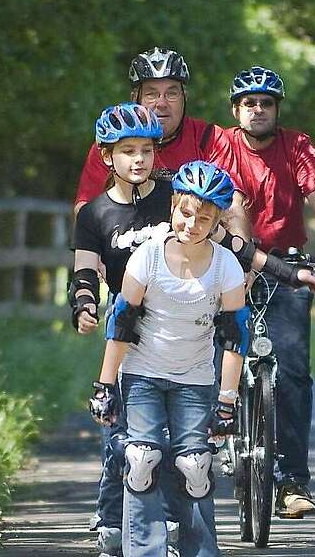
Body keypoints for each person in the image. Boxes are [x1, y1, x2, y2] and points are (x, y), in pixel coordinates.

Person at [70, 103, 315, 556]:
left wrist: (287, 273)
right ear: (108, 156)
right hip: (131, 330)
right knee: (128, 448)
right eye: (128, 151)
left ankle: (174, 533)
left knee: (186, 456)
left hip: (191, 324)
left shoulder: (178, 196)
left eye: (147, 150)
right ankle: (113, 528)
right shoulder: (95, 214)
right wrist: (83, 303)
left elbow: (234, 245)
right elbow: (85, 270)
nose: (139, 159)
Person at [90, 160, 248, 557]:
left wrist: (227, 403)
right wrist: (105, 385)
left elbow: (234, 340)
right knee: (141, 461)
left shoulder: (226, 266)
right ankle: (146, 551)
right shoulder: (147, 257)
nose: (191, 224)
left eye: (204, 219)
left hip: (194, 378)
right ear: (173, 206)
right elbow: (121, 325)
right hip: (142, 372)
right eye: (185, 213)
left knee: (195, 466)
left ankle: (200, 550)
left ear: (217, 223)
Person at [223, 65, 315, 517]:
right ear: (236, 110)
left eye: (266, 103)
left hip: (289, 268)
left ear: (277, 109)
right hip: (231, 263)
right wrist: (243, 256)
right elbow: (232, 205)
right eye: (249, 103)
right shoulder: (223, 145)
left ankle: (293, 480)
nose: (258, 109)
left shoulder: (296, 145)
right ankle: (212, 441)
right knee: (213, 356)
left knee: (292, 370)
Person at [73, 47, 242, 231]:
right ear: (135, 98)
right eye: (151, 94)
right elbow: (86, 209)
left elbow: (233, 209)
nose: (161, 103)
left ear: (184, 97)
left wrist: (239, 246)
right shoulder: (113, 143)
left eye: (171, 93)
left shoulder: (210, 138)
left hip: (194, 241)